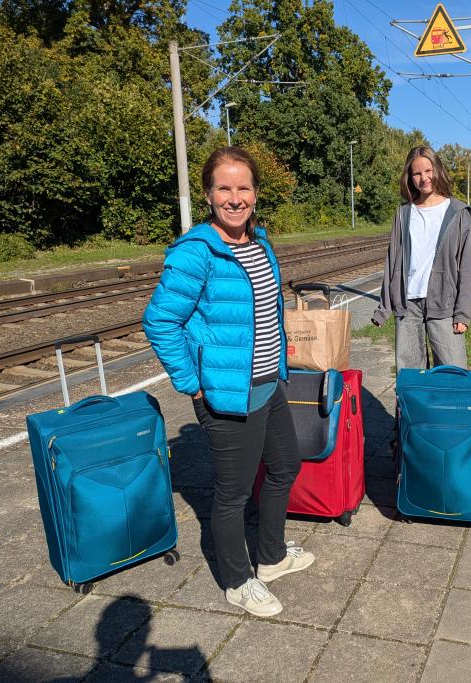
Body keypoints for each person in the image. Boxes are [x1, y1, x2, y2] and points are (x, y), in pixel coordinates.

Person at [142, 146, 313, 617]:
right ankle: (237, 581)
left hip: (267, 384)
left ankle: (272, 557)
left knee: (284, 468)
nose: (234, 198)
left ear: (256, 194)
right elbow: (159, 321)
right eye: (224, 188)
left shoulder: (259, 243)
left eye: (243, 188)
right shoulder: (197, 252)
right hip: (225, 395)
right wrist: (191, 383)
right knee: (233, 494)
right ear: (208, 194)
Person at [372, 145, 471, 370]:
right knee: (409, 377)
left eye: (428, 171)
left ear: (437, 170)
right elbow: (393, 261)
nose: (424, 178)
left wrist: (463, 313)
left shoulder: (458, 212)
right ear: (409, 177)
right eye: (417, 173)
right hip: (408, 305)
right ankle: (409, 408)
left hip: (444, 303)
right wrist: (383, 308)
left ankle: (447, 407)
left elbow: (465, 266)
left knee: (452, 372)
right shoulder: (403, 213)